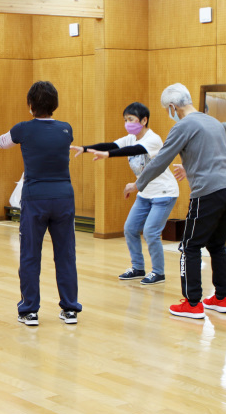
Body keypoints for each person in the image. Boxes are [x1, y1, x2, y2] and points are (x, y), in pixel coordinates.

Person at [125, 83, 226, 319]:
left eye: (167, 109)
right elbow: (219, 158)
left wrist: (138, 184)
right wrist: (189, 170)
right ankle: (222, 298)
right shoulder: (213, 122)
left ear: (172, 107)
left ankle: (192, 303)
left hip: (209, 192)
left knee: (189, 246)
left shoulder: (183, 125)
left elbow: (160, 161)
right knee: (217, 244)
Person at [0, 81, 81, 326]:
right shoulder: (66, 129)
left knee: (30, 254)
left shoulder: (23, 129)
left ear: (30, 105)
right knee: (66, 254)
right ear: (55, 104)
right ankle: (70, 308)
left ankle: (29, 311)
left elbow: (2, 142)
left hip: (35, 198)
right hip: (63, 198)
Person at [71, 102, 179, 285]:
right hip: (144, 193)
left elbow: (134, 150)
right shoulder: (130, 138)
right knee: (130, 228)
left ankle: (158, 272)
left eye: (131, 119)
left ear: (144, 120)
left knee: (150, 232)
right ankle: (138, 268)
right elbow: (112, 145)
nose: (127, 123)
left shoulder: (153, 139)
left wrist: (109, 155)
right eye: (125, 120)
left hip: (164, 192)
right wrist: (85, 148)